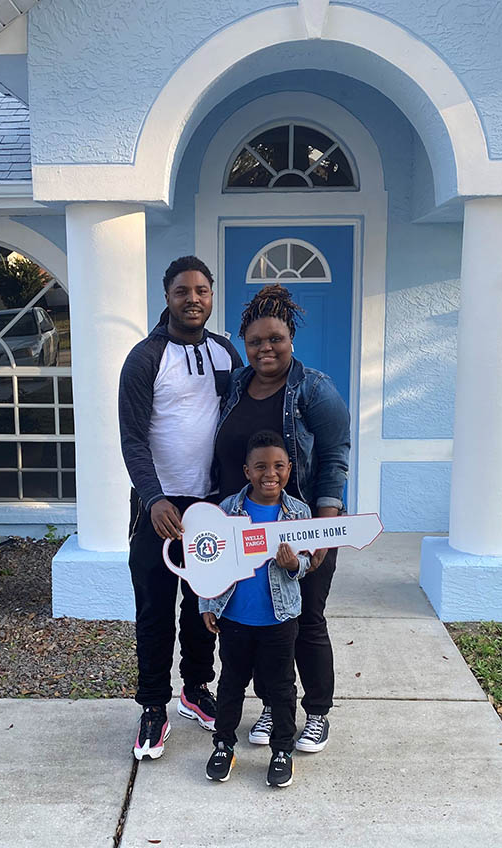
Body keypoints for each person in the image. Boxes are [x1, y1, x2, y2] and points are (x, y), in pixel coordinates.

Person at [212, 285, 350, 754]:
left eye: (275, 339)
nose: (265, 349)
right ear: (243, 344)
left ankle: (316, 714)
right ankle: (275, 706)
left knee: (306, 618)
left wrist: (324, 531)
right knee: (266, 622)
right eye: (255, 342)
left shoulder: (314, 389)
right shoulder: (235, 384)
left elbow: (334, 456)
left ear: (291, 338)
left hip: (299, 524)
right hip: (243, 528)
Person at [119, 256, 243, 760]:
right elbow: (132, 439)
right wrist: (153, 498)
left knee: (202, 608)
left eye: (202, 291)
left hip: (210, 508)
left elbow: (236, 425)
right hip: (159, 509)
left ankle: (196, 688)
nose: (193, 299)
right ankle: (153, 706)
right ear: (167, 296)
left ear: (212, 297)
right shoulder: (146, 358)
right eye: (183, 290)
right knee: (154, 611)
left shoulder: (225, 353)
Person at [200, 430, 311, 788]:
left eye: (279, 466)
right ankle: (224, 745)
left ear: (289, 469)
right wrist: (207, 603)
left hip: (280, 618)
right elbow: (209, 562)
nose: (270, 474)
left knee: (280, 687)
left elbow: (307, 564)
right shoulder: (226, 510)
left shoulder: (299, 514)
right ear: (247, 470)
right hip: (234, 617)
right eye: (261, 466)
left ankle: (282, 750)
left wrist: (293, 564)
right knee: (231, 684)